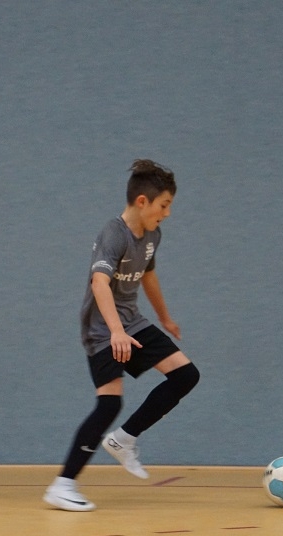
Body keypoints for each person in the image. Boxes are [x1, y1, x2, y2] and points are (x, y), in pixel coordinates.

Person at [43, 159, 200, 512]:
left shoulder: (153, 235)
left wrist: (165, 318)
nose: (168, 213)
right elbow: (99, 283)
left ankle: (124, 439)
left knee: (186, 375)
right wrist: (115, 331)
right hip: (102, 329)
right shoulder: (113, 233)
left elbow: (148, 276)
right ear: (142, 202)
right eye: (164, 205)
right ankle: (63, 485)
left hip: (132, 322)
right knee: (109, 404)